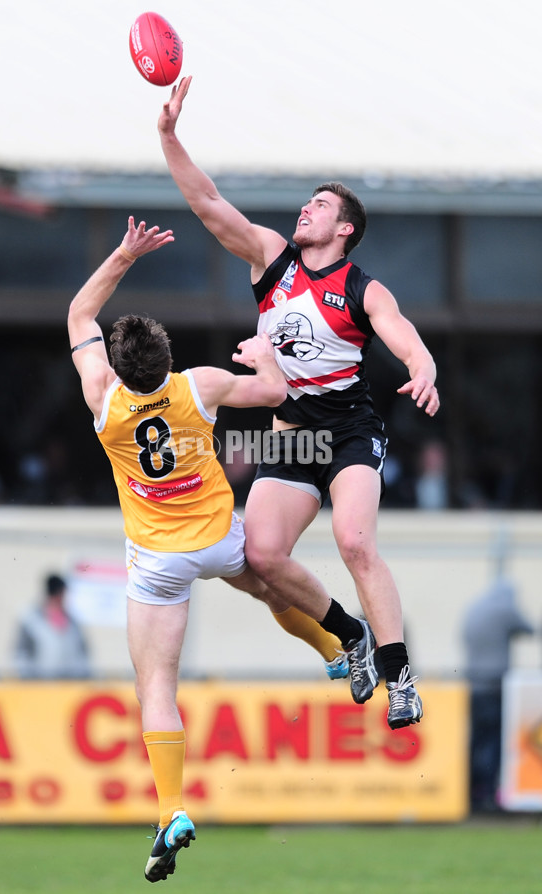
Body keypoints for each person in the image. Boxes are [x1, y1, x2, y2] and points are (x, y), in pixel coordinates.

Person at [68, 216, 352, 883]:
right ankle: (335, 649)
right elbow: (278, 394)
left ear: (117, 364)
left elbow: (80, 311)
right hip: (220, 538)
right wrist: (264, 356)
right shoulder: (198, 385)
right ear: (165, 360)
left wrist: (123, 255)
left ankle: (172, 808)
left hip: (159, 560)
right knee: (271, 586)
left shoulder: (102, 397)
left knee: (156, 686)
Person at [158, 76, 442, 730]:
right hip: (289, 433)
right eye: (306, 204)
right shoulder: (272, 260)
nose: (304, 211)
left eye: (319, 205)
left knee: (355, 539)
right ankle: (350, 636)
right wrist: (169, 136)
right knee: (260, 556)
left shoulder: (360, 287)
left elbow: (402, 332)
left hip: (347, 432)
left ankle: (401, 678)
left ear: (344, 228)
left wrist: (423, 364)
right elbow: (206, 202)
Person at [462, 575, 534, 812]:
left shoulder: (475, 608)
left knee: (476, 741)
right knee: (494, 742)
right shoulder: (505, 608)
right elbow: (529, 629)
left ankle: (471, 793)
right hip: (494, 686)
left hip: (474, 684)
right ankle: (490, 795)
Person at [13, 573, 91, 679]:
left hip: (70, 684)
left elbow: (83, 653)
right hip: (41, 685)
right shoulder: (31, 621)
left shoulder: (72, 621)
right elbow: (22, 653)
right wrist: (27, 679)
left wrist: (84, 676)